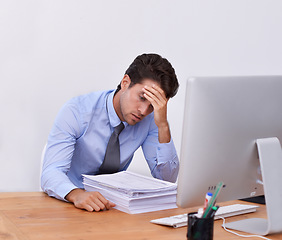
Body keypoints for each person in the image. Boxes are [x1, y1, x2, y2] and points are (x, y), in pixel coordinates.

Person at [41, 53, 179, 212]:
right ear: (125, 82)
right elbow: (51, 173)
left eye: (153, 105)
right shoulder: (77, 111)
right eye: (142, 97)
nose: (143, 111)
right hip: (70, 204)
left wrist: (163, 125)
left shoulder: (151, 120)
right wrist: (76, 194)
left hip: (112, 207)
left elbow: (166, 180)